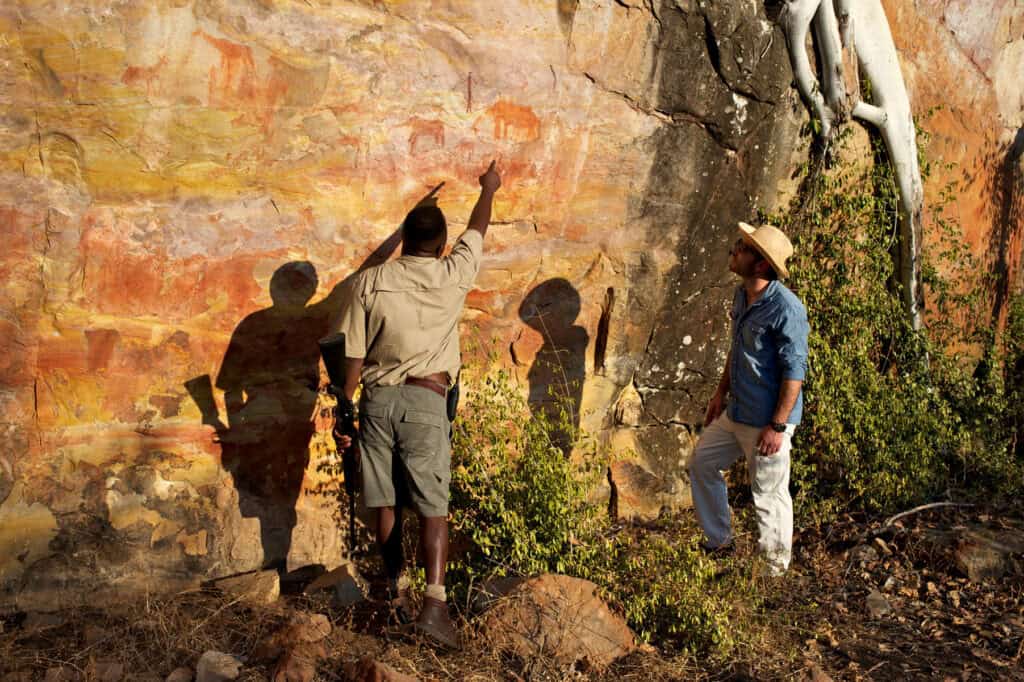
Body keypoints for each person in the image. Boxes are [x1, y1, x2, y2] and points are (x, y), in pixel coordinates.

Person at [332, 160, 502, 649]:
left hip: (378, 400)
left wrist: (345, 408)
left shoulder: (371, 284)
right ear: (442, 245)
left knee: (383, 500)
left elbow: (355, 357)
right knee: (433, 507)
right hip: (426, 401)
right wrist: (488, 187)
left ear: (406, 240)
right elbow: (478, 226)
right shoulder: (454, 273)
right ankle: (434, 607)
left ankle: (392, 596)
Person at [688, 222, 808, 575]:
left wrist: (777, 426)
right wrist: (720, 393)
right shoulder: (742, 295)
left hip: (767, 421)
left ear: (760, 265)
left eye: (742, 247)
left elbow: (794, 372)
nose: (735, 250)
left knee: (769, 495)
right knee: (703, 463)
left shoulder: (786, 309)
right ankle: (719, 544)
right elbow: (738, 350)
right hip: (737, 411)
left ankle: (773, 574)